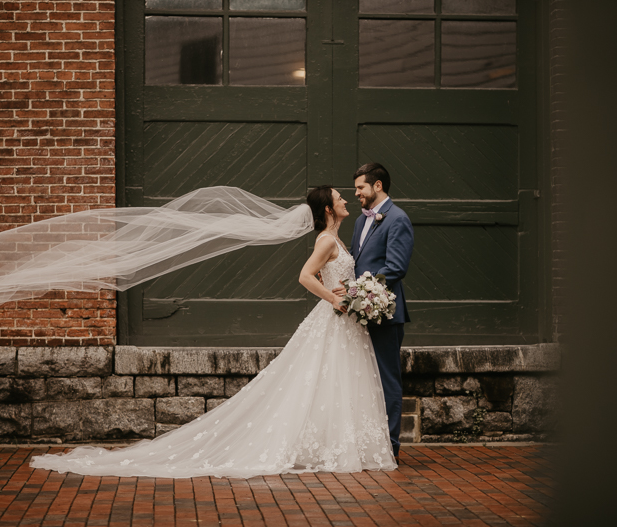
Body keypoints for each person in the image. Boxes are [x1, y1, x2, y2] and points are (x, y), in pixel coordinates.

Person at [29, 186, 397, 478]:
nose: (346, 199)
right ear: (329, 209)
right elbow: (304, 276)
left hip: (344, 321)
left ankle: (333, 444)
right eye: (339, 197)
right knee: (317, 380)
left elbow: (327, 276)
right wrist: (334, 300)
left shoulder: (335, 239)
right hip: (334, 319)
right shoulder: (326, 240)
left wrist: (346, 291)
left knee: (332, 382)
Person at [334, 163, 413, 462]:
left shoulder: (398, 219)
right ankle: (368, 443)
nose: (356, 193)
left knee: (387, 378)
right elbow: (355, 262)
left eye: (360, 188)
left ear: (377, 186)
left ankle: (391, 446)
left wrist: (357, 290)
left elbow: (395, 268)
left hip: (385, 311)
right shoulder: (359, 222)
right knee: (364, 378)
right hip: (361, 312)